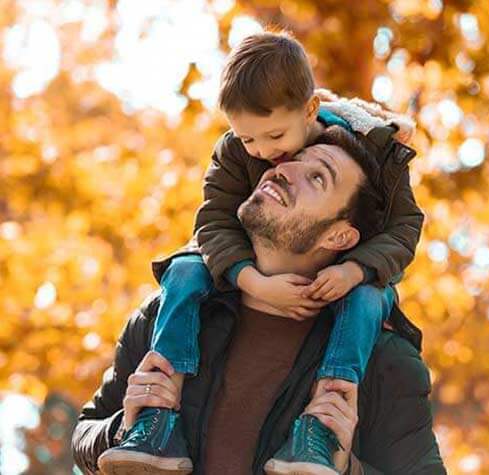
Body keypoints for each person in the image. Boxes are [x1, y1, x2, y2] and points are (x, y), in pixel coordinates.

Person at [96, 30, 425, 474]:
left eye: (317, 177)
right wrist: (122, 425)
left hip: (358, 282)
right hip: (225, 268)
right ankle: (157, 421)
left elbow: (405, 227)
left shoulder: (388, 359)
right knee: (185, 271)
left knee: (367, 297)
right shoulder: (163, 314)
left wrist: (357, 271)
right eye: (250, 141)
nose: (272, 159)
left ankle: (319, 431)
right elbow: (87, 432)